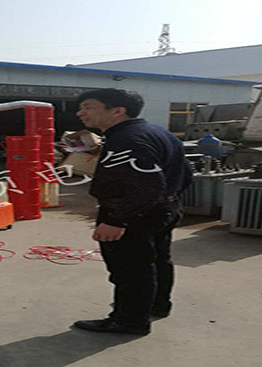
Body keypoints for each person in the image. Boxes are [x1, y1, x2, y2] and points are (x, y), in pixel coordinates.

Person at [73, 89, 192, 335]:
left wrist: (118, 220)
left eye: (88, 107)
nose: (80, 113)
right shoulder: (158, 132)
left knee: (130, 269)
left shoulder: (126, 140)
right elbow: (186, 172)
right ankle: (156, 305)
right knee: (157, 260)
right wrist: (168, 202)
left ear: (118, 110)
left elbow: (148, 186)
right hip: (163, 208)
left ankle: (129, 320)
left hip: (135, 214)